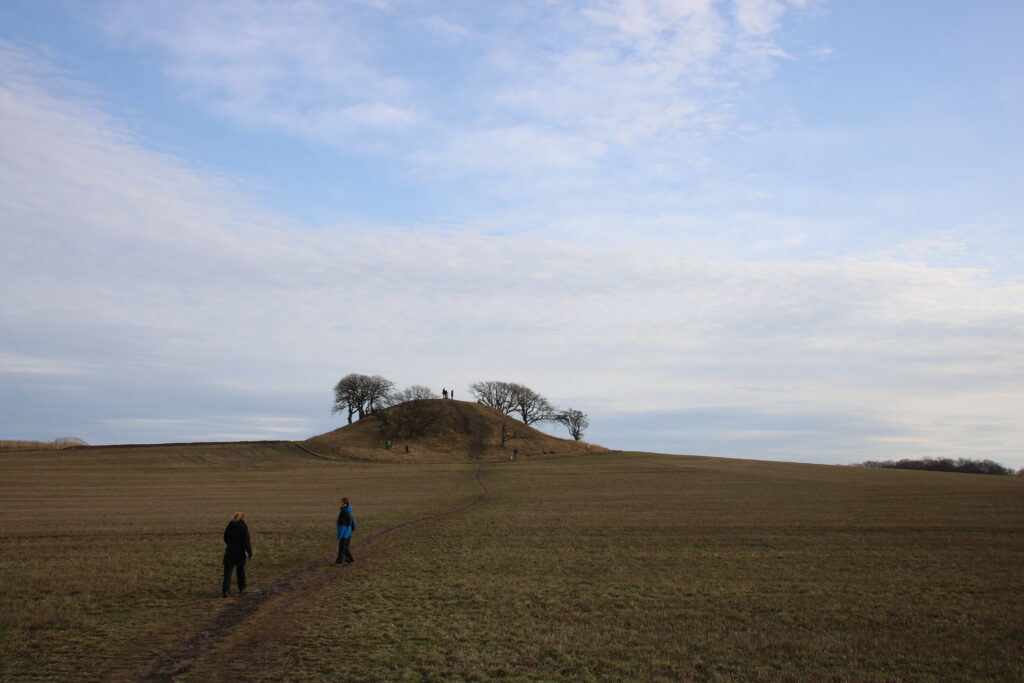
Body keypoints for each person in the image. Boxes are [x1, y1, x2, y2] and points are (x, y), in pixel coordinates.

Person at [222, 512, 252, 597]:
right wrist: (249, 553)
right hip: (240, 552)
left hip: (230, 551)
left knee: (227, 572)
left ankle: (226, 591)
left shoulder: (230, 526)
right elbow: (246, 541)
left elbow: (225, 538)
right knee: (240, 570)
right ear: (242, 518)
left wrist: (230, 545)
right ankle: (241, 588)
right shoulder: (243, 526)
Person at [336, 497, 356, 564]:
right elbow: (353, 521)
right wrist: (351, 530)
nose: (341, 503)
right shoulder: (349, 510)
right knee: (345, 547)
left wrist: (339, 535)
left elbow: (342, 526)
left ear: (345, 504)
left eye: (342, 502)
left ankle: (339, 562)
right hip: (348, 533)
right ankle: (349, 559)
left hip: (344, 534)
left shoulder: (344, 513)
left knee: (341, 548)